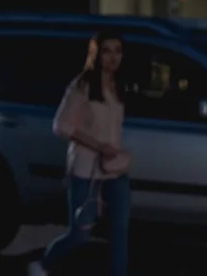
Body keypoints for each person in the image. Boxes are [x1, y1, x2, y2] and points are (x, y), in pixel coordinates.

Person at [29, 31, 132, 276]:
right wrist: (99, 146)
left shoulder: (117, 86)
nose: (113, 57)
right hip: (86, 169)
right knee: (80, 233)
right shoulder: (82, 86)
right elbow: (61, 126)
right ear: (97, 54)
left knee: (120, 231)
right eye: (107, 51)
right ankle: (43, 265)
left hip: (115, 170)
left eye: (118, 51)